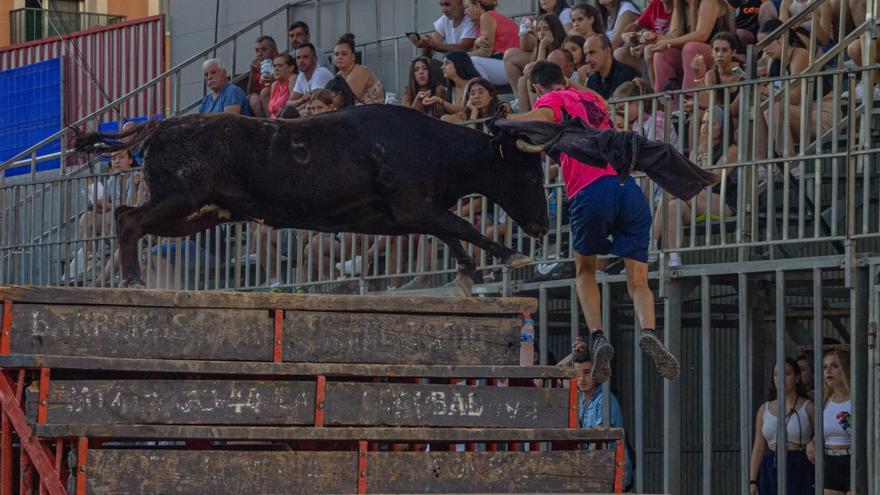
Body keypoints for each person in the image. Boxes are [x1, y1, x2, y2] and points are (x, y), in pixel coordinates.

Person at [508, 61, 680, 383]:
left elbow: (543, 117)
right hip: (627, 189)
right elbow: (580, 90)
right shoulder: (595, 101)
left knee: (586, 271)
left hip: (590, 191)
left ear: (536, 89)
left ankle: (598, 337)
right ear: (564, 78)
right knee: (638, 280)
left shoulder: (551, 100)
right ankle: (649, 330)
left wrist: (507, 119)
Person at [652, 107, 736, 267]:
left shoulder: (732, 150)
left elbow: (712, 180)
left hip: (724, 202)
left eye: (712, 124)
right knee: (673, 206)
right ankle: (674, 257)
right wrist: (699, 152)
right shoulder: (694, 152)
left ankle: (651, 243)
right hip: (696, 202)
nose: (705, 127)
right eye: (704, 122)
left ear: (724, 128)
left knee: (681, 189)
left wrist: (704, 154)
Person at [749, 357, 816, 495]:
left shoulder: (808, 407)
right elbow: (759, 446)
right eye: (776, 374)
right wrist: (752, 480)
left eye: (787, 373)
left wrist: (812, 442)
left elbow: (821, 435)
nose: (780, 378)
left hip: (800, 462)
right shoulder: (764, 408)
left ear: (797, 378)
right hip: (771, 463)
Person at [573, 347, 633, 491]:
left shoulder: (606, 399)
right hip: (593, 465)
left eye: (587, 373)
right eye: (577, 374)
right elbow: (559, 369)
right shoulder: (579, 398)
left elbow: (598, 438)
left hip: (612, 467)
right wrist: (573, 353)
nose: (581, 379)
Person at [647, 0, 735, 94]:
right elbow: (674, 35)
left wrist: (668, 43)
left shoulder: (708, 1)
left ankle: (690, 98)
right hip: (698, 54)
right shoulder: (680, 5)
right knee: (662, 53)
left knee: (691, 48)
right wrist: (654, 38)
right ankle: (666, 103)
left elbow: (702, 35)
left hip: (723, 53)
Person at [807, 350, 853, 495]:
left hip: (852, 460)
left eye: (834, 366)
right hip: (830, 461)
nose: (828, 370)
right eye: (825, 367)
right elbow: (821, 431)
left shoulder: (855, 399)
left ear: (845, 369)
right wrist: (812, 442)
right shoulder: (825, 400)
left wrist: (848, 422)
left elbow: (863, 433)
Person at [509, 14, 568, 112]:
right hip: (545, 85)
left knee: (531, 81)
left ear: (554, 29)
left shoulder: (562, 47)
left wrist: (542, 46)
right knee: (522, 80)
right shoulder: (539, 47)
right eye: (539, 29)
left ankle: (537, 114)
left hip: (559, 84)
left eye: (546, 29)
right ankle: (525, 119)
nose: (542, 33)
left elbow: (540, 73)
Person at [463, 0, 519, 87]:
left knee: (470, 61)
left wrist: (462, 56)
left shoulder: (487, 16)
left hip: (509, 66)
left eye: (467, 7)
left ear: (477, 5)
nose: (465, 12)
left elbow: (485, 52)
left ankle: (488, 96)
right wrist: (475, 43)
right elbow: (480, 52)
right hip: (504, 64)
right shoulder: (484, 20)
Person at [690, 31, 744, 114]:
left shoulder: (738, 69)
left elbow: (733, 109)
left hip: (739, 115)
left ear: (733, 53)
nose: (720, 54)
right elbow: (710, 104)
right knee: (698, 114)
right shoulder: (712, 75)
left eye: (725, 50)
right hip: (721, 116)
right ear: (712, 52)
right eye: (716, 50)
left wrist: (697, 105)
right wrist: (698, 77)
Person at [615, 0, 673, 73]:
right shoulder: (655, 3)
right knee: (620, 53)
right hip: (654, 47)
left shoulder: (679, 6)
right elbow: (636, 25)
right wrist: (628, 36)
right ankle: (641, 82)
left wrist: (648, 44)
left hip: (670, 47)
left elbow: (676, 37)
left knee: (649, 51)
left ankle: (653, 83)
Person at [423, 51, 481, 118]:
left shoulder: (476, 83)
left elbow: (466, 111)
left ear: (459, 63)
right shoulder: (451, 88)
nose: (442, 67)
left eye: (447, 63)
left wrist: (440, 101)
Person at [333, 33, 386, 104]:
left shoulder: (361, 71)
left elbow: (343, 101)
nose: (339, 57)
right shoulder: (339, 75)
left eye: (344, 54)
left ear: (353, 57)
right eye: (336, 54)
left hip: (374, 112)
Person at [584, 34, 640, 99]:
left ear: (607, 51)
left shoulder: (626, 74)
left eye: (592, 52)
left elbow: (618, 107)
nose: (587, 60)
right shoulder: (592, 80)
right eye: (586, 55)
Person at [409, 0, 477, 53]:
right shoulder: (445, 19)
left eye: (447, 4)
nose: (443, 10)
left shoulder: (471, 19)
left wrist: (432, 45)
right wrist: (425, 44)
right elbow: (434, 42)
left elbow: (463, 48)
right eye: (441, 5)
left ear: (462, 4)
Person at [288, 43, 335, 112]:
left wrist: (294, 112)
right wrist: (301, 100)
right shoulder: (301, 75)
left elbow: (313, 104)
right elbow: (289, 103)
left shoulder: (320, 72)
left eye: (305, 57)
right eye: (298, 58)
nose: (301, 60)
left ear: (315, 58)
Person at [246, 35, 279, 117]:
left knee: (266, 92)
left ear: (274, 52)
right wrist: (252, 73)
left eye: (264, 50)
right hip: (265, 104)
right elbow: (251, 93)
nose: (259, 54)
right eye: (257, 51)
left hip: (280, 100)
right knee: (253, 98)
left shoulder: (281, 63)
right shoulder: (258, 67)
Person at [261, 54, 296, 119]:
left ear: (291, 68)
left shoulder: (293, 79)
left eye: (280, 65)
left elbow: (294, 108)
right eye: (274, 66)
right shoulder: (275, 84)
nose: (276, 69)